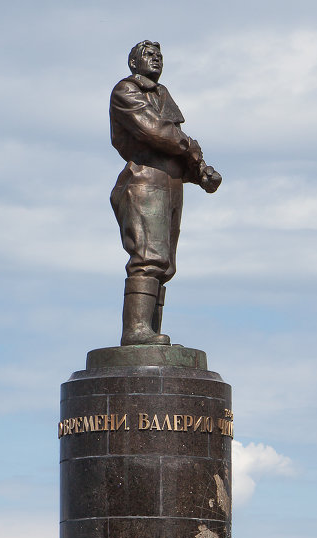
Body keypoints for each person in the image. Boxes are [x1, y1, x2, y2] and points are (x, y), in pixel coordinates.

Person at [109, 40, 221, 346]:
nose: (155, 59)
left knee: (165, 265)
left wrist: (200, 173)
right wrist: (190, 147)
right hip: (144, 181)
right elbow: (154, 131)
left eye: (159, 55)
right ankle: (136, 331)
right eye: (148, 55)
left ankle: (150, 332)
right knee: (148, 258)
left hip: (169, 185)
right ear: (133, 63)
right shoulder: (126, 91)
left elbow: (174, 145)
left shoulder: (162, 94)